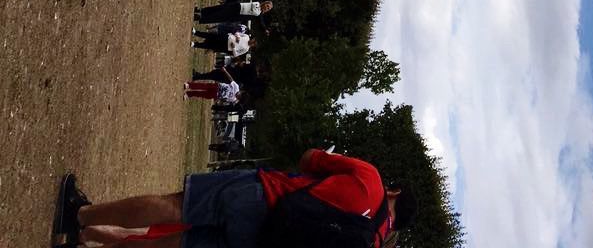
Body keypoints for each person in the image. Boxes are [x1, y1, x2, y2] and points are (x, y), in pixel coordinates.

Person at [66, 147, 416, 248]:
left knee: (174, 205)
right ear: (394, 228)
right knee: (167, 246)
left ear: (394, 192)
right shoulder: (368, 244)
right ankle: (86, 240)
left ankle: (81, 215)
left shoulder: (370, 179)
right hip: (261, 242)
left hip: (263, 196)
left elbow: (309, 158)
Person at [195, 0, 273, 23]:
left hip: (236, 14)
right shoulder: (258, 2)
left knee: (219, 16)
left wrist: (265, 29)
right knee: (219, 8)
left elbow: (261, 23)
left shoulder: (259, 14)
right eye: (267, 5)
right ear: (265, 3)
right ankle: (201, 10)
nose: (267, 7)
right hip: (237, 6)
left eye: (268, 8)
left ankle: (200, 18)